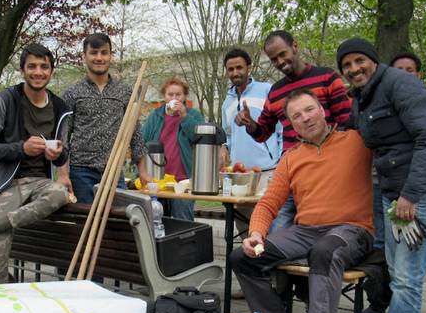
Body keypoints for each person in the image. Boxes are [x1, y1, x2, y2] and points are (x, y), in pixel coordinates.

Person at [229, 89, 374, 313]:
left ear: (322, 109)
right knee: (243, 256)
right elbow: (269, 203)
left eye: (309, 110)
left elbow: (402, 142)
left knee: (324, 251)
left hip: (352, 229)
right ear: (290, 125)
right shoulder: (291, 158)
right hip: (305, 231)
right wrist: (256, 233)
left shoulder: (358, 141)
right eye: (297, 116)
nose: (305, 118)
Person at [338, 38, 426, 313]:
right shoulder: (363, 96)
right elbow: (351, 131)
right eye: (346, 65)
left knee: (406, 276)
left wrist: (411, 194)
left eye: (360, 61)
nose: (354, 69)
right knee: (398, 269)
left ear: (373, 60)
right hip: (394, 194)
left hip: (423, 193)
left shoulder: (402, 86)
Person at [0, 44, 72, 283]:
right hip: (4, 183)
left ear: (51, 71)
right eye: (32, 66)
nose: (38, 72)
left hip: (39, 182)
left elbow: (64, 153)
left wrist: (58, 156)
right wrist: (20, 148)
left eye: (44, 67)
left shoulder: (60, 108)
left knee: (59, 193)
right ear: (22, 70)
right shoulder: (5, 99)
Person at [236, 30, 351, 228]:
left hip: (326, 172)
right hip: (291, 172)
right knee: (276, 233)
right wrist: (250, 124)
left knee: (323, 232)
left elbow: (347, 122)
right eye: (274, 59)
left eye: (282, 54)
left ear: (295, 47)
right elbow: (263, 132)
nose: (280, 62)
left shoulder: (327, 78)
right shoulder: (276, 91)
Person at [57, 33, 151, 203]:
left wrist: (143, 171)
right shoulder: (72, 93)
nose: (99, 57)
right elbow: (63, 138)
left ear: (110, 56)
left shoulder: (124, 92)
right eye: (94, 53)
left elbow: (134, 133)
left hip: (113, 171)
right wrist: (63, 174)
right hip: (81, 172)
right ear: (84, 56)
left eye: (104, 52)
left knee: (117, 222)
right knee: (85, 222)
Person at [140, 77, 204, 221]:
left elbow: (198, 138)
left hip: (183, 181)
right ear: (164, 96)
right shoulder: (155, 115)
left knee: (183, 221)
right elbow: (143, 143)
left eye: (178, 94)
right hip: (157, 180)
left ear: (184, 96)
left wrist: (184, 116)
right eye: (170, 94)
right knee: (157, 220)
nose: (174, 98)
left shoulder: (194, 115)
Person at [219, 49, 281, 174]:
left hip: (268, 170)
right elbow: (229, 135)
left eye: (239, 67)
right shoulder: (227, 103)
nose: (235, 73)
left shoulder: (267, 90)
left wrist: (282, 161)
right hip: (238, 172)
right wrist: (224, 146)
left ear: (249, 68)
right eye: (230, 69)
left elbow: (281, 129)